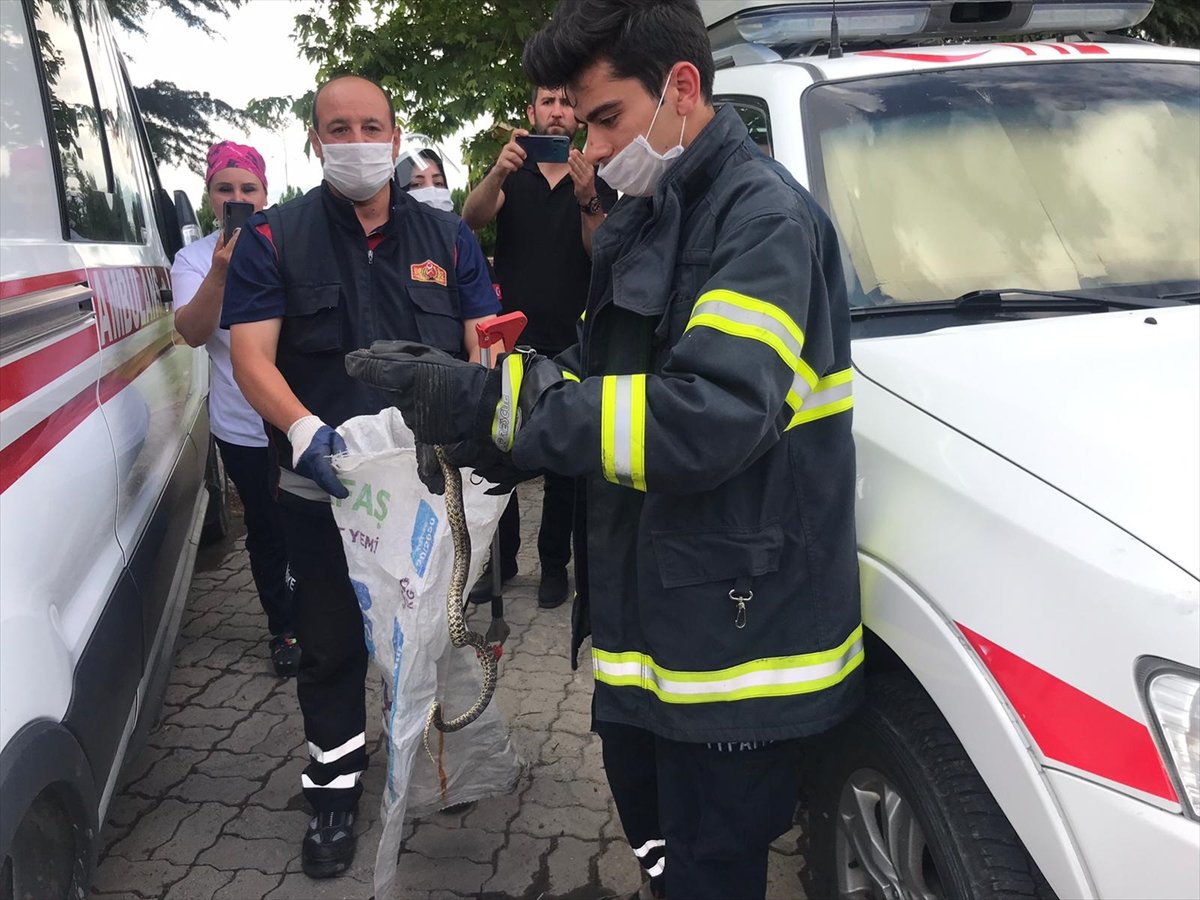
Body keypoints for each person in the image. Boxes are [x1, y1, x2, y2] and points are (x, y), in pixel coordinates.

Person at [344, 1, 865, 897]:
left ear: (682, 88)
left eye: (607, 118)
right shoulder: (655, 212)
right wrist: (486, 425)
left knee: (710, 872)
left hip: (735, 653)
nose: (592, 145)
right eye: (584, 123)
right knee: (661, 855)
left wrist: (501, 409)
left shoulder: (762, 221)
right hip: (654, 627)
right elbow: (598, 369)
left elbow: (708, 417)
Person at [220, 75, 501, 880]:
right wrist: (302, 429)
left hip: (427, 490)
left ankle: (432, 765)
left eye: (371, 126)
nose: (356, 141)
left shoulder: (449, 239)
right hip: (324, 490)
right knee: (332, 646)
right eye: (337, 128)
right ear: (315, 141)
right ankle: (335, 789)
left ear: (395, 134)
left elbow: (485, 335)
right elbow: (250, 356)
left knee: (428, 638)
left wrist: (488, 387)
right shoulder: (276, 238)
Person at [460, 85, 617, 610]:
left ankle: (554, 565)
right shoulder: (513, 172)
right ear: (531, 113)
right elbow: (472, 219)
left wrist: (587, 197)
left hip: (573, 342)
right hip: (512, 342)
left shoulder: (594, 177)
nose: (556, 111)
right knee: (500, 454)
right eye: (547, 102)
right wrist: (497, 172)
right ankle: (501, 562)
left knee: (564, 465)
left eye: (566, 103)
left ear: (578, 117)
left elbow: (600, 252)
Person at [170, 141, 300, 678]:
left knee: (317, 522)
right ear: (210, 196)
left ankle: (331, 615)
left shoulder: (290, 244)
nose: (237, 198)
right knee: (268, 529)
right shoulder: (194, 259)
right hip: (243, 427)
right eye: (225, 189)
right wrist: (220, 273)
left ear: (265, 195)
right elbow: (191, 331)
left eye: (249, 188)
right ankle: (285, 628)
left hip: (299, 416)